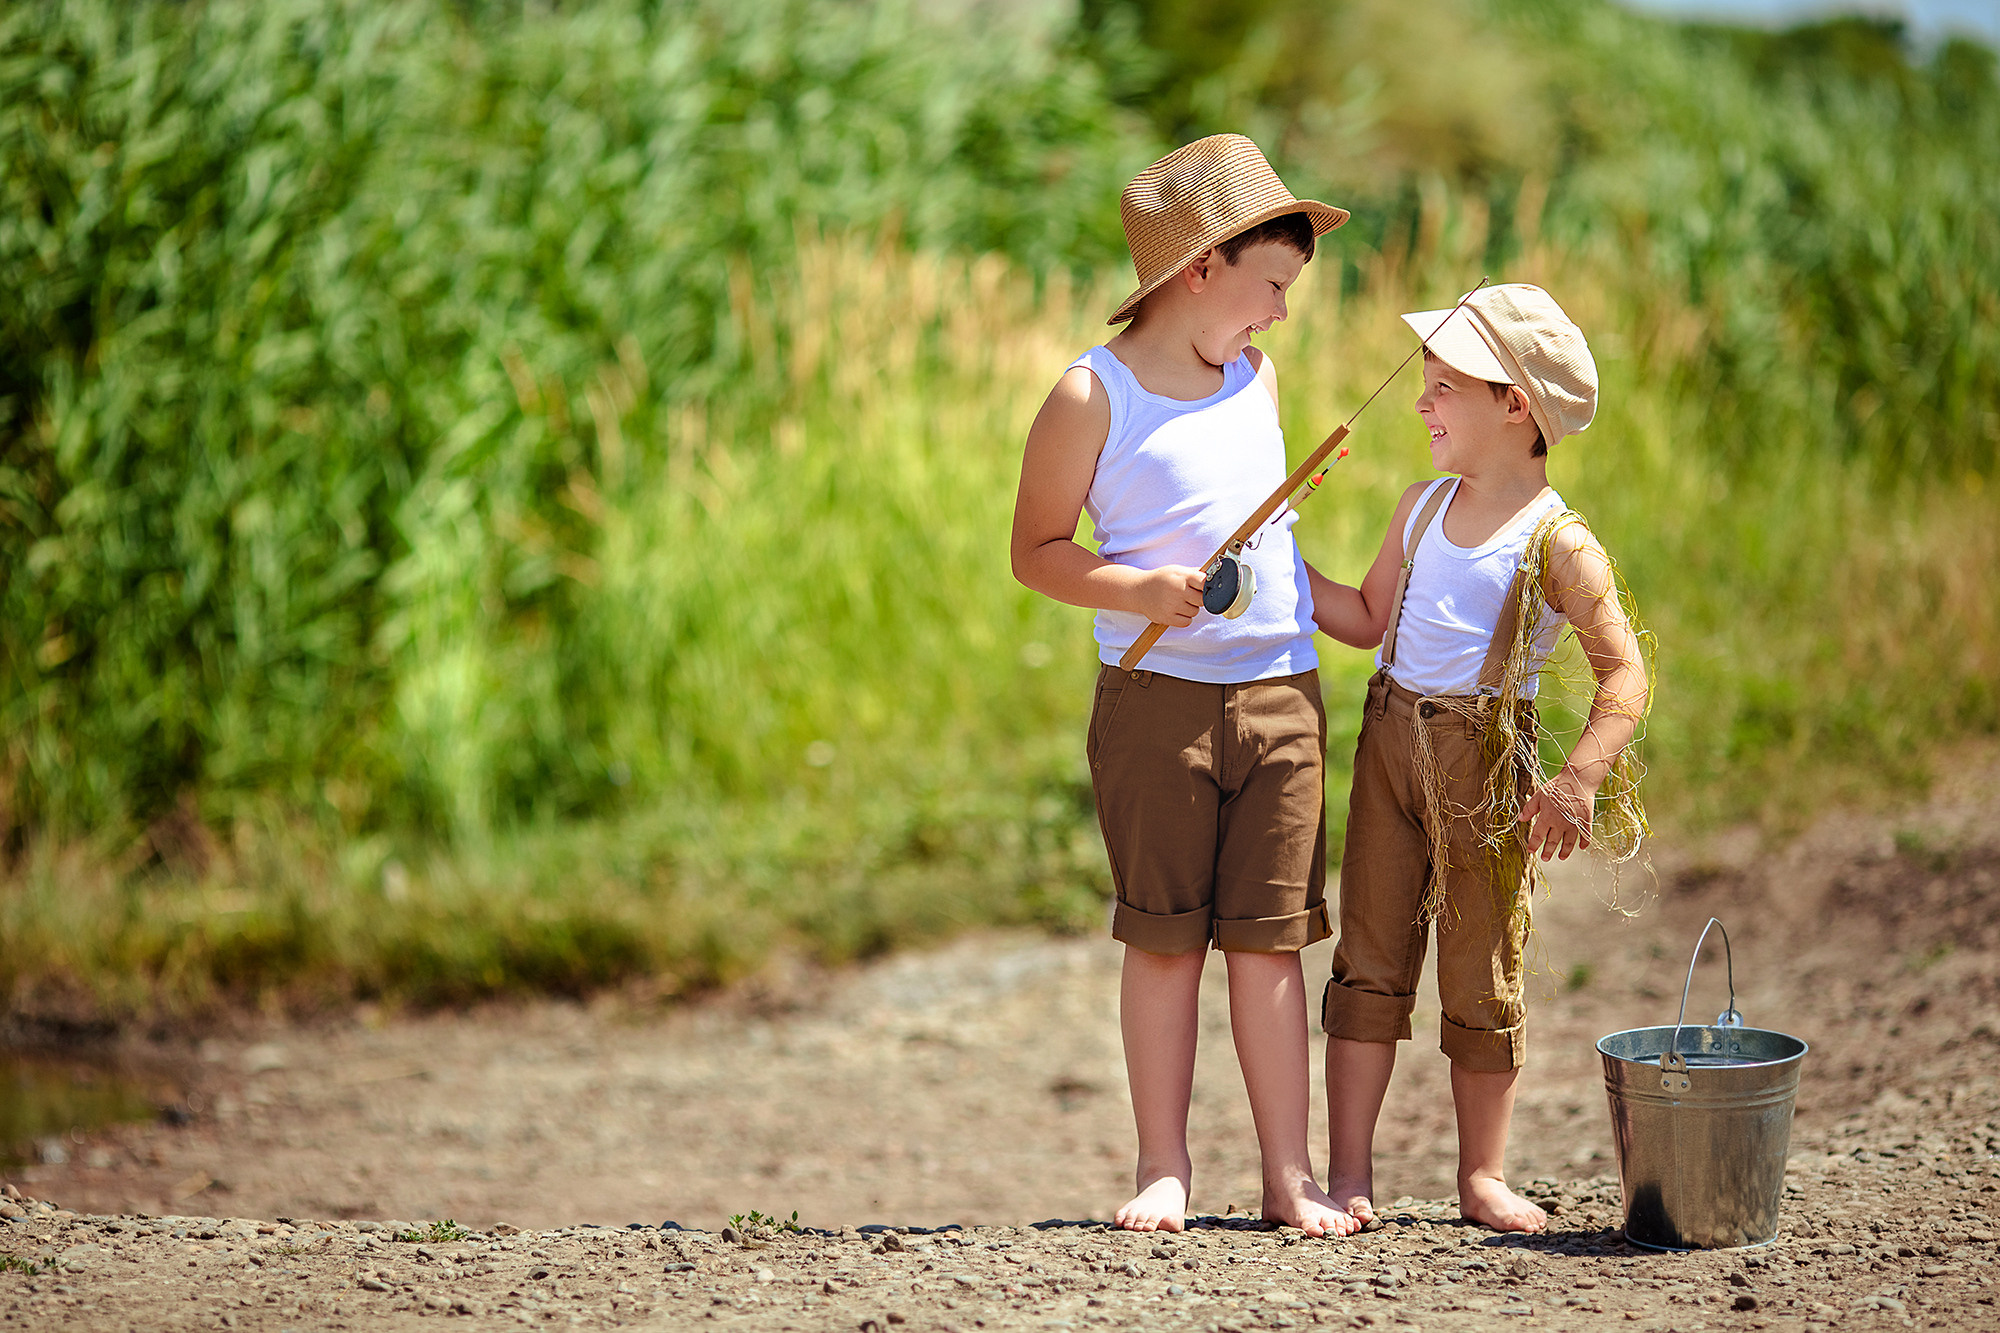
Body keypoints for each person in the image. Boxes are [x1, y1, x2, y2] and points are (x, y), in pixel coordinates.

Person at [1009, 134, 1357, 1236]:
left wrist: (1345, 603)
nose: (1278, 315)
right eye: (1268, 287)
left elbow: (1277, 542)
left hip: (1280, 694)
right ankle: (1163, 1166)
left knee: (1271, 939)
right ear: (1200, 267)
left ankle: (1287, 1175)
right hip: (1152, 703)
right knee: (1162, 938)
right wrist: (1138, 584)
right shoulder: (1089, 393)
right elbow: (1036, 551)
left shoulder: (1255, 374)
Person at [1307, 283, 1651, 1232]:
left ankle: (1481, 1176)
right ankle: (1347, 1174)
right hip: (1388, 745)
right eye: (1423, 385)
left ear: (1516, 405)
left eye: (1444, 386)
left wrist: (1578, 776)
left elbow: (1624, 674)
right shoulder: (1419, 510)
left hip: (1484, 767)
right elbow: (1369, 619)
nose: (1421, 404)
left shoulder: (1558, 542)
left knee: (1482, 961)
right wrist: (1288, 574)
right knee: (1368, 956)